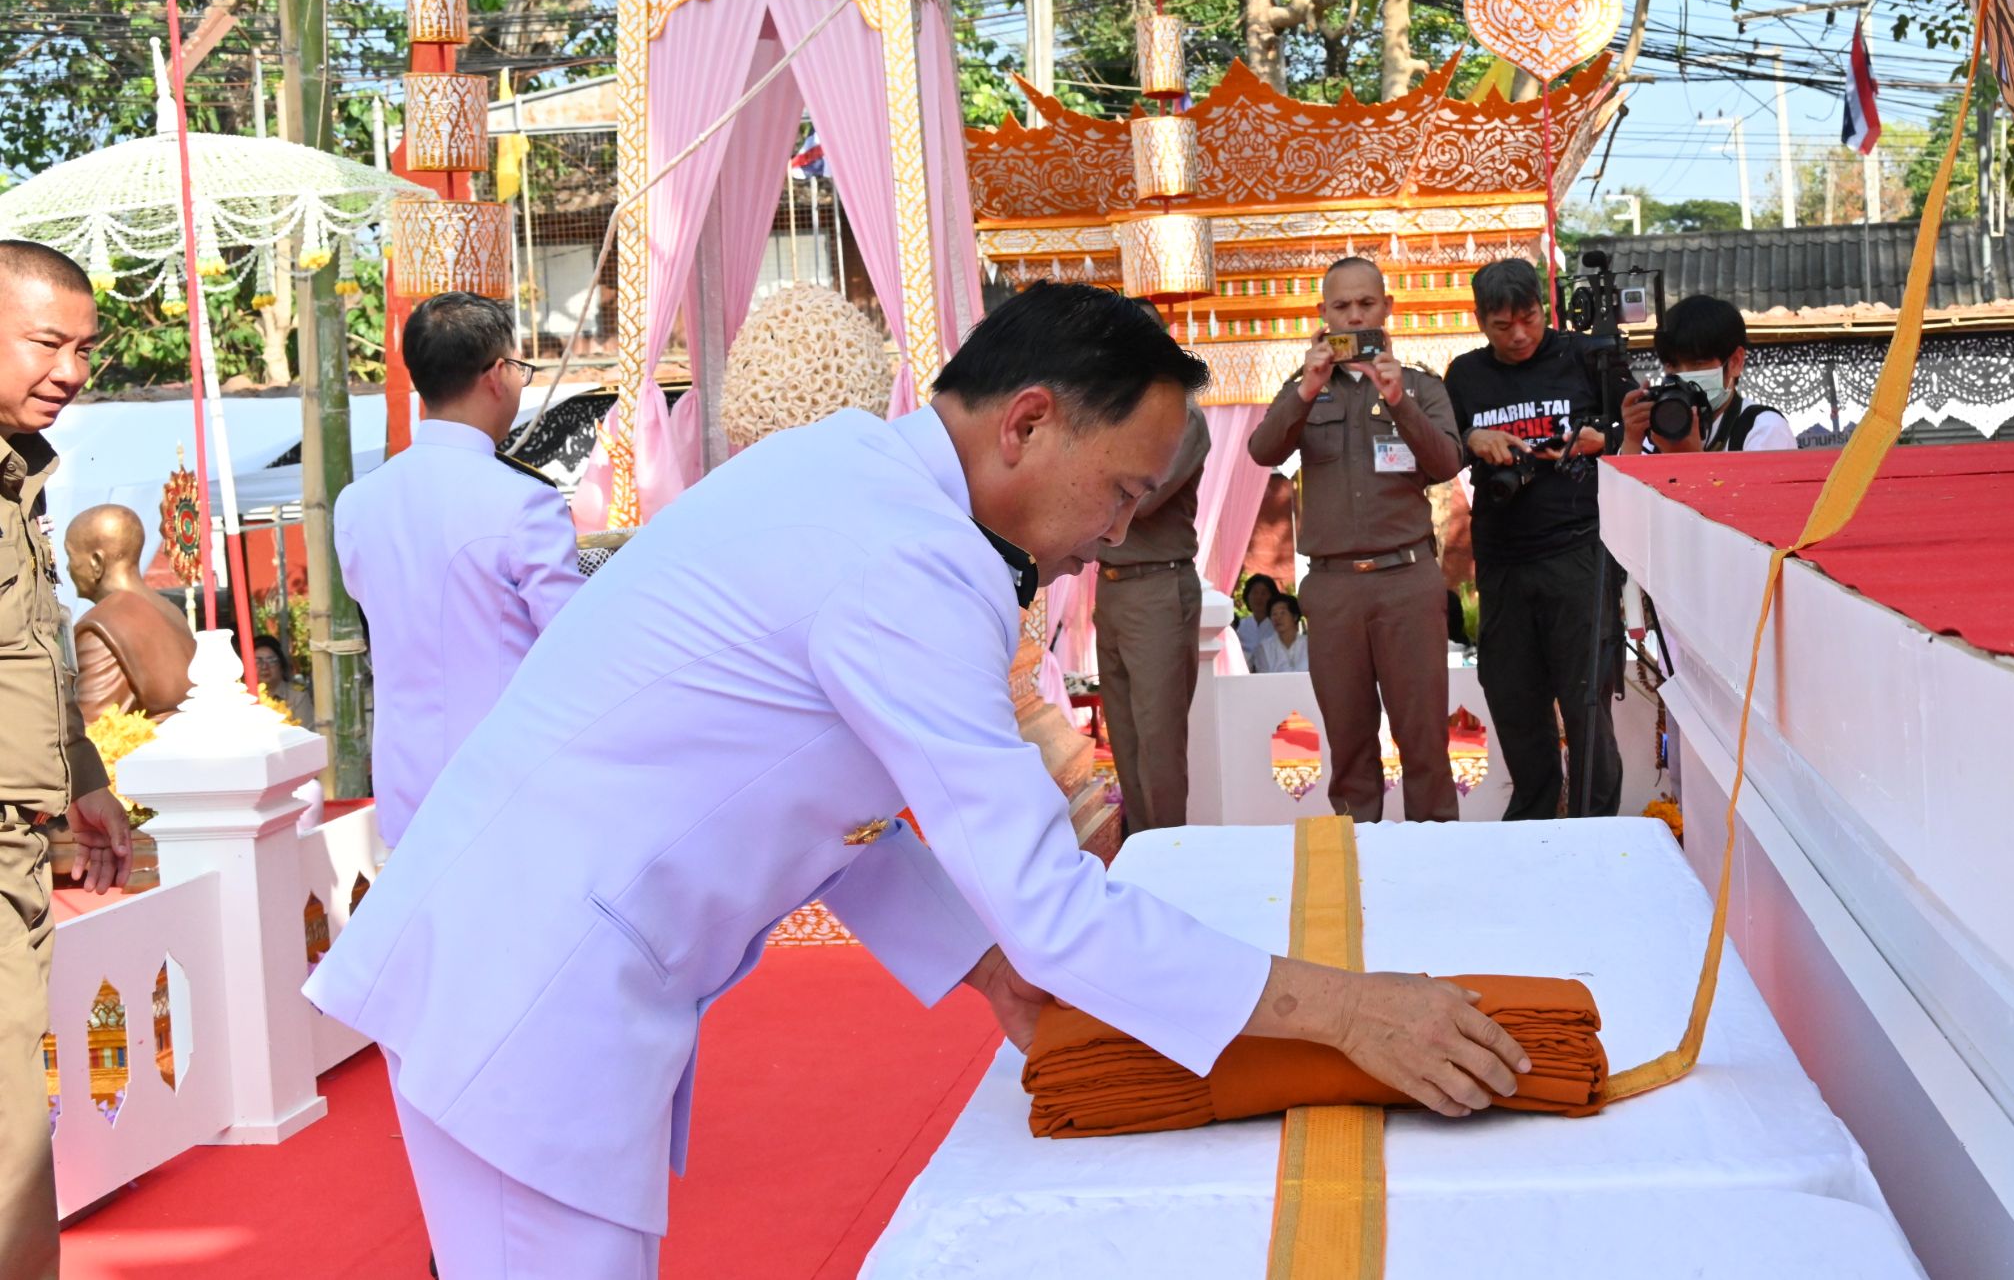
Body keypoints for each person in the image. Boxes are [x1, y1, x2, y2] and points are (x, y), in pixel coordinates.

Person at [303, 282, 1529, 1276]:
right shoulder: (909, 554)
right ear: (1028, 422)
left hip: (522, 958)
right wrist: (1351, 1011)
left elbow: (841, 814)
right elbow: (1051, 905)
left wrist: (987, 966)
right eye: (1120, 491)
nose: (1115, 532)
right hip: (524, 992)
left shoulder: (852, 474)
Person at [334, 291, 584, 848]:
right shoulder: (525, 501)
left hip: (404, 787)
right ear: (495, 375)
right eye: (519, 367)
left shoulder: (357, 503)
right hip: (508, 786)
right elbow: (573, 641)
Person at [0, 239, 133, 1280]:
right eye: (47, 343)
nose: (71, 371)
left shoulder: (22, 480)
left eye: (84, 348)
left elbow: (34, 647)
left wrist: (83, 778)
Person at [1247, 258, 1465, 822]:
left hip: (1407, 582)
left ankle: (1436, 864)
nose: (1354, 316)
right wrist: (1307, 387)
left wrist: (1398, 399)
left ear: (1387, 308)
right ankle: (1354, 866)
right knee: (1348, 750)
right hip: (1334, 589)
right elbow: (1263, 450)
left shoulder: (1419, 385)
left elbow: (1446, 462)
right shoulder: (1304, 389)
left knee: (1424, 745)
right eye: (1341, 306)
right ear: (1322, 314)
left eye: (1366, 304)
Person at [1443, 259, 1624, 820]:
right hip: (1502, 562)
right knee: (1514, 701)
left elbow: (1640, 430)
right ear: (1480, 321)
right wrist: (1473, 437)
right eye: (1502, 326)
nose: (1519, 335)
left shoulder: (1586, 357)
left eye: (1530, 319)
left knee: (1586, 702)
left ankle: (1596, 829)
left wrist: (1602, 439)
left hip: (1579, 553)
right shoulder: (1465, 375)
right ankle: (1534, 825)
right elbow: (1440, 449)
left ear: (1545, 308)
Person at [1093, 397, 1209, 835]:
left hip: (1158, 586)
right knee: (1124, 740)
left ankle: (1170, 859)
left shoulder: (1182, 416)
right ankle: (1144, 852)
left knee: (1159, 745)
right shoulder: (1108, 408)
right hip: (1111, 584)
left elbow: (1140, 501)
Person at [63, 503, 197, 721]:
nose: (68, 568)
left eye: (71, 556)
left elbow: (95, 730)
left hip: (142, 742)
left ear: (96, 562)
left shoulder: (101, 627)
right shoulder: (171, 611)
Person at [1620, 294, 1798, 454]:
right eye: (1672, 365)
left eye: (1698, 364)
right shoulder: (1659, 428)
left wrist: (1690, 458)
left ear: (1735, 362)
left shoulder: (1763, 429)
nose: (1683, 375)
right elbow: (1624, 482)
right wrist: (1632, 440)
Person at [253, 632, 315, 727]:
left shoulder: (298, 697)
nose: (264, 667)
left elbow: (307, 732)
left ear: (281, 665)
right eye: (258, 661)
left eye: (271, 660)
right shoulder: (243, 697)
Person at [1255, 592, 1310, 674]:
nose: (1278, 618)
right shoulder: (1264, 647)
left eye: (1282, 613)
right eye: (1274, 614)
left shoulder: (1309, 644)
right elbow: (1263, 677)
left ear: (1295, 616)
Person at [1234, 572, 1281, 655]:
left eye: (1264, 593)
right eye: (1255, 592)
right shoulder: (1240, 626)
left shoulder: (1280, 625)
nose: (1259, 597)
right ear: (1247, 596)